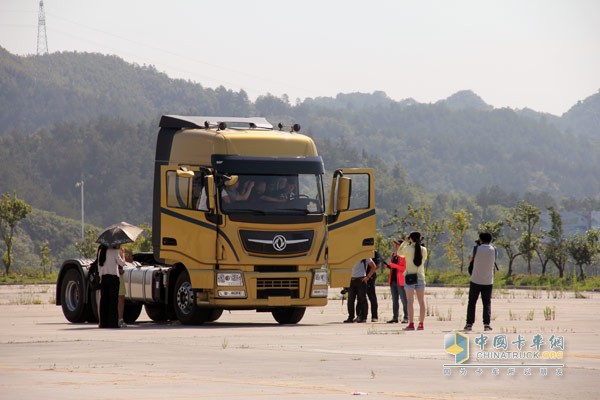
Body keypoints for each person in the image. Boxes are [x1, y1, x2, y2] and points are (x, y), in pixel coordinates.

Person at [464, 232, 496, 332]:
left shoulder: (476, 249)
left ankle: (469, 324)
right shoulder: (494, 249)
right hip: (488, 281)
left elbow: (470, 258)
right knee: (486, 303)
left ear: (480, 240)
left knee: (472, 302)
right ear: (490, 240)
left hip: (475, 280)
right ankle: (487, 324)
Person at [397, 231, 428, 330]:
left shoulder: (408, 249)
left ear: (411, 238)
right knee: (421, 302)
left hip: (410, 277)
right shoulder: (424, 250)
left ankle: (411, 323)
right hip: (420, 277)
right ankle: (421, 324)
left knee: (410, 301)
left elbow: (399, 253)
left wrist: (405, 242)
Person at [98, 243, 126, 328]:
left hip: (104, 278)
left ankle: (103, 323)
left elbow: (99, 266)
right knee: (113, 302)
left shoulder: (101, 252)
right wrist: (123, 255)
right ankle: (112, 323)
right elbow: (122, 263)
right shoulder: (114, 252)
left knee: (104, 301)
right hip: (113, 278)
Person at [343, 257, 376, 323]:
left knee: (362, 299)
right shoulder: (349, 255)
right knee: (350, 300)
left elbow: (373, 266)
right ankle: (351, 317)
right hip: (351, 280)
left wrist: (368, 277)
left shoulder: (365, 256)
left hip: (361, 280)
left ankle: (363, 317)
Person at [386, 239, 408, 323]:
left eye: (398, 244)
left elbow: (405, 268)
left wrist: (394, 265)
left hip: (401, 281)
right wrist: (389, 266)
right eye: (395, 244)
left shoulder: (404, 256)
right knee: (394, 300)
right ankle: (395, 317)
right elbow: (394, 267)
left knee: (404, 300)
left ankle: (406, 317)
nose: (396, 246)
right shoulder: (394, 255)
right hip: (393, 280)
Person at [365, 251, 380, 322]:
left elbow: (377, 266)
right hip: (361, 276)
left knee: (372, 297)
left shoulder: (374, 252)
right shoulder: (360, 251)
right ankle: (361, 315)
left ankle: (374, 316)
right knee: (361, 297)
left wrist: (369, 275)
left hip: (370, 277)